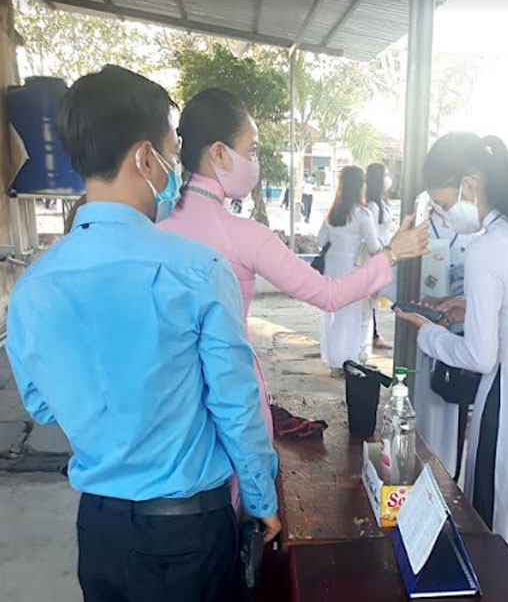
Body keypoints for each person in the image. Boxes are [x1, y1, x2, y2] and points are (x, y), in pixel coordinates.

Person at [6, 66, 279, 602]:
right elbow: (235, 403)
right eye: (172, 155)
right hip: (188, 533)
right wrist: (260, 497)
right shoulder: (198, 270)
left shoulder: (34, 286)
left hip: (100, 531)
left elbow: (41, 405)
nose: (174, 170)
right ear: (144, 158)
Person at [158, 88, 429, 427]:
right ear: (219, 154)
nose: (255, 162)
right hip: (232, 404)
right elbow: (329, 294)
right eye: (251, 150)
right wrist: (391, 254)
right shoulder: (245, 236)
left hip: (170, 405)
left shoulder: (155, 228)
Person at [396, 132, 508, 602]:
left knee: (495, 534)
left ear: (470, 185)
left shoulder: (486, 249)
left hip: (505, 410)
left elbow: (479, 356)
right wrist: (469, 308)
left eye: (442, 202)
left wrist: (427, 332)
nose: (443, 214)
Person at [413, 198, 479, 480]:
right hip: (423, 325)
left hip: (459, 333)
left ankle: (447, 475)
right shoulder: (420, 230)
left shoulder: (475, 232)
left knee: (453, 410)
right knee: (421, 403)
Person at [319, 166, 391, 377]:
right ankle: (350, 361)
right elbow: (374, 246)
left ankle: (334, 362)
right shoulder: (362, 214)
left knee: (333, 316)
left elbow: (320, 240)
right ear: (359, 186)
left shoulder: (332, 214)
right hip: (352, 269)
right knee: (352, 318)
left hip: (331, 268)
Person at [365, 163, 394, 350]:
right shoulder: (373, 206)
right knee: (371, 299)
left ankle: (373, 333)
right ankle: (372, 335)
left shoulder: (381, 204)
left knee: (375, 299)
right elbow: (372, 236)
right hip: (376, 256)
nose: (388, 179)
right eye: (385, 175)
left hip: (383, 255)